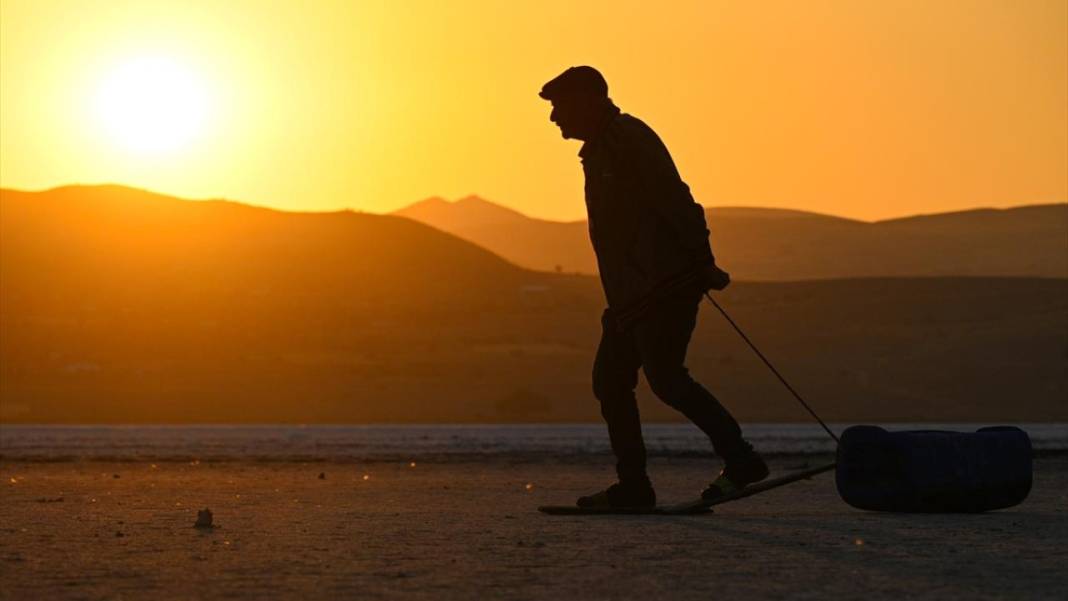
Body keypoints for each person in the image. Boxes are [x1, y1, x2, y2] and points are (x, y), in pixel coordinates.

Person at [539, 66, 768, 508]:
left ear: (588, 101)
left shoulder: (629, 139)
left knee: (665, 380)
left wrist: (703, 262)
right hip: (631, 297)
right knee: (610, 381)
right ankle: (635, 486)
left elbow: (677, 200)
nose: (555, 119)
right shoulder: (600, 150)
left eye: (559, 107)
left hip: (663, 287)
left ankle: (740, 461)